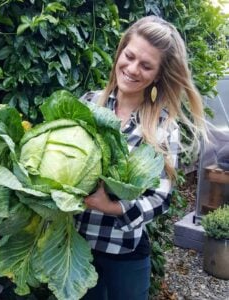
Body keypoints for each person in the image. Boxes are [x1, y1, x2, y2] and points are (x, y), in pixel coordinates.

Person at [74, 15, 206, 300]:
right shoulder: (87, 103)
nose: (132, 69)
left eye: (146, 66)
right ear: (120, 51)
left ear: (158, 74)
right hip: (74, 247)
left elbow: (160, 199)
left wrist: (110, 207)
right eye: (129, 56)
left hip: (124, 252)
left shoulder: (161, 128)